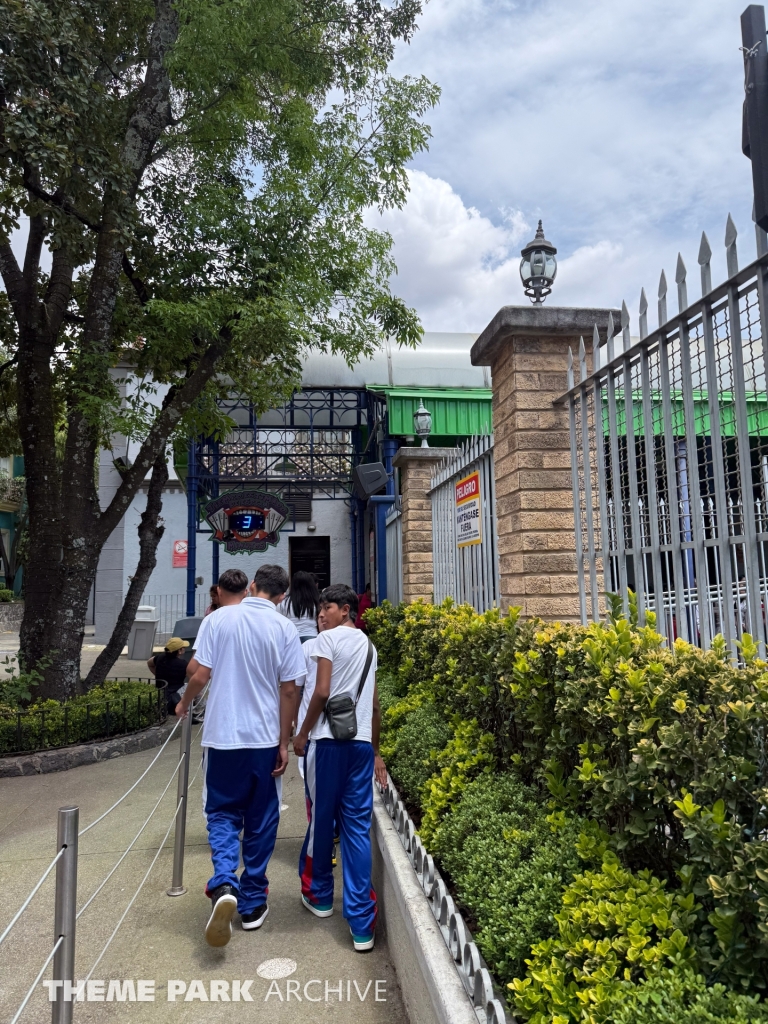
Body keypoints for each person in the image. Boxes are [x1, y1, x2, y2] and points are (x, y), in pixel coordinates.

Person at [176, 564, 305, 948]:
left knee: (221, 812)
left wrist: (184, 704)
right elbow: (289, 691)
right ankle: (251, 903)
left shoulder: (218, 619)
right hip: (264, 739)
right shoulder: (285, 629)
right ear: (282, 596)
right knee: (262, 818)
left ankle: (224, 882)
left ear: (252, 586)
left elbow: (199, 675)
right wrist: (284, 741)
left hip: (222, 738)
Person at [293, 583, 387, 953]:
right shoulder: (370, 647)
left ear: (346, 610)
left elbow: (320, 691)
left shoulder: (325, 642)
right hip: (360, 747)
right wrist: (376, 752)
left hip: (327, 745)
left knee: (321, 820)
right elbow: (376, 705)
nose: (321, 614)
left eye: (327, 607)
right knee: (356, 831)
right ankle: (362, 925)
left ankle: (320, 897)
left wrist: (301, 734)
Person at [147, 637, 189, 714]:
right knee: (195, 685)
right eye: (183, 647)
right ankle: (199, 709)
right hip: (174, 698)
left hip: (161, 695)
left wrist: (158, 675)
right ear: (179, 651)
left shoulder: (160, 657)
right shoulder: (183, 664)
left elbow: (149, 663)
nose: (185, 649)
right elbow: (194, 677)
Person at [278, 570, 320, 643]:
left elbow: (279, 620)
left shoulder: (284, 602)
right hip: (312, 636)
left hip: (292, 637)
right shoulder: (315, 601)